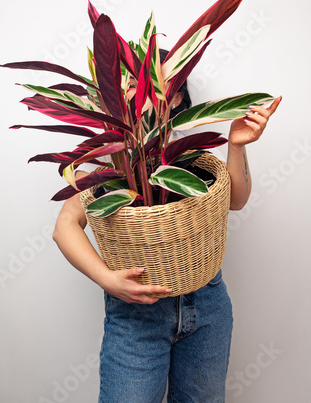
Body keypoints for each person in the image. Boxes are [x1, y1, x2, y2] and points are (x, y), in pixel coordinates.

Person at [52, 56, 281, 401]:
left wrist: (236, 144)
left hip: (207, 303)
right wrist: (108, 279)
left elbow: (234, 200)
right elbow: (66, 226)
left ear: (175, 98)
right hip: (137, 314)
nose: (142, 92)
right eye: (132, 83)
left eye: (157, 84)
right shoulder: (109, 162)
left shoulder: (188, 155)